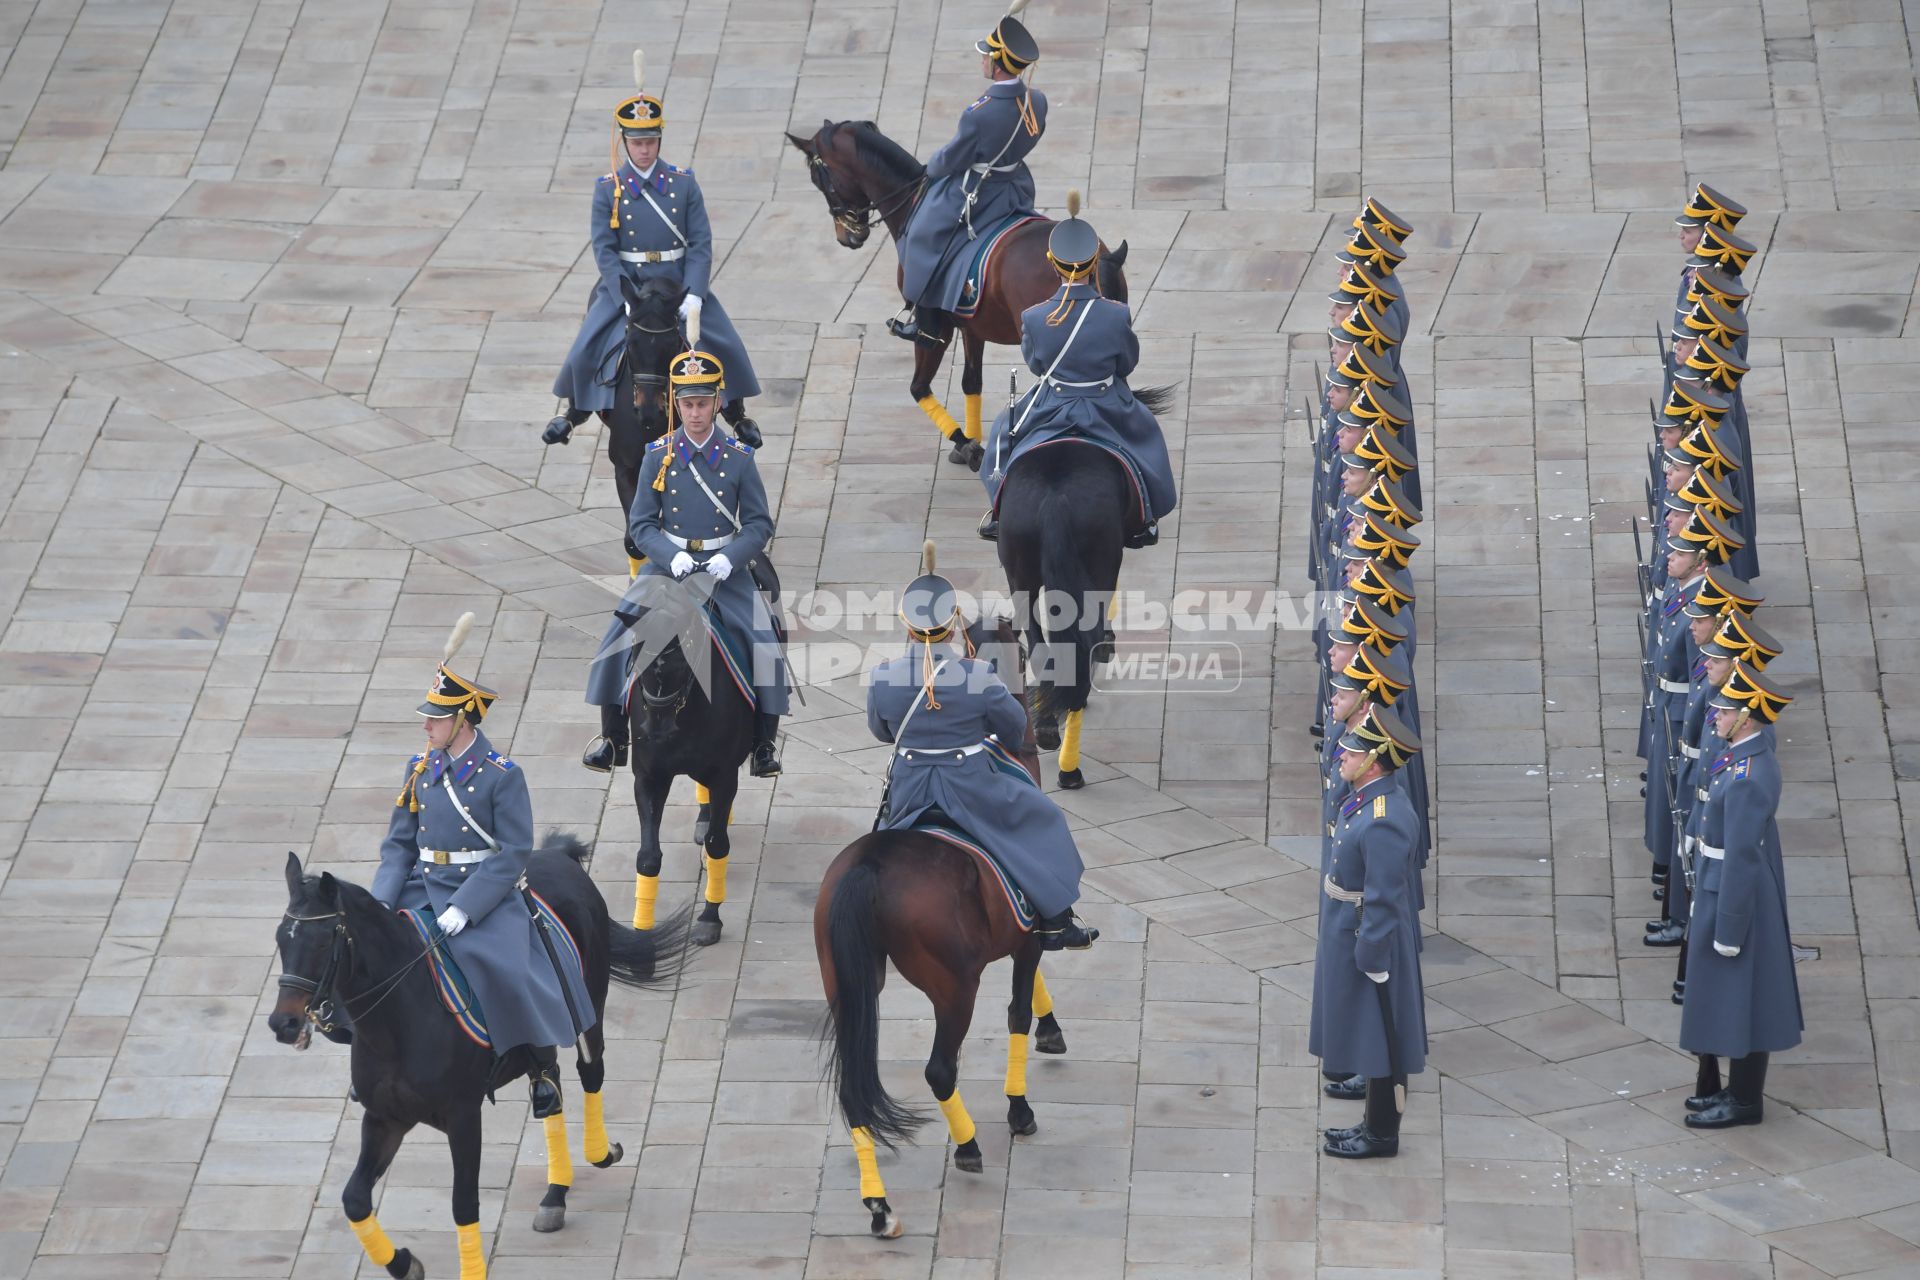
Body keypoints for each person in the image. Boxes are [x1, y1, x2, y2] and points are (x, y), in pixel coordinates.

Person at [374, 614, 596, 1120]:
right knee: (366, 950)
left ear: (462, 721)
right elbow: (398, 844)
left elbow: (513, 852)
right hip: (418, 887)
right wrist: (382, 899)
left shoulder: (501, 777)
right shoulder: (419, 769)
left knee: (508, 972)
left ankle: (541, 1067)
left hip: (483, 893)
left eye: (435, 718)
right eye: (426, 718)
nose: (425, 726)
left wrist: (466, 908)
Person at [867, 548, 1097, 950]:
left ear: (907, 628)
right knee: (1042, 819)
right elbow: (1014, 731)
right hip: (969, 786)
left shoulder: (882, 677)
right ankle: (1056, 920)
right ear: (952, 629)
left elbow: (882, 733)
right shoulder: (979, 675)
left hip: (908, 789)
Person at [545, 51, 763, 450]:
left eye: (649, 141)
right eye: (636, 142)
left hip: (677, 282)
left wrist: (695, 293)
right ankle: (573, 410)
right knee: (588, 343)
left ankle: (736, 411)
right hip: (629, 285)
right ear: (625, 142)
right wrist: (621, 294)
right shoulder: (607, 188)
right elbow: (604, 248)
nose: (644, 150)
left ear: (659, 139)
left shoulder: (683, 184)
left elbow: (700, 242)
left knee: (722, 339)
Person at [584, 351, 787, 776]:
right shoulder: (657, 455)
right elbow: (641, 524)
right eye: (688, 404)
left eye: (703, 403)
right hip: (668, 568)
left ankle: (765, 744)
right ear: (675, 404)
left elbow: (757, 524)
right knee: (617, 635)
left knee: (764, 639)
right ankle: (612, 737)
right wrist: (670, 555)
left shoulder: (738, 457)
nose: (695, 413)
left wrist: (728, 559)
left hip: (722, 571)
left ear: (716, 403)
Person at [977, 197, 1177, 543]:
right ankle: (1145, 514)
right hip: (1105, 403)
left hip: (1051, 403)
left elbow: (1035, 364)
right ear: (1093, 263)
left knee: (999, 433)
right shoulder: (1115, 314)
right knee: (1148, 437)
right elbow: (1127, 362)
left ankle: (998, 512)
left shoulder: (1035, 317)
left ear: (1053, 263)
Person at [1679, 661, 1801, 1128]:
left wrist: (1728, 924)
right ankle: (1734, 1090)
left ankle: (1747, 1100)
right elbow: (1711, 798)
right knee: (1732, 996)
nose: (1716, 718)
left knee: (1748, 999)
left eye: (1725, 712)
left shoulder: (1750, 774)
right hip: (1719, 882)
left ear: (1746, 718)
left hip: (1736, 896)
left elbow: (1743, 857)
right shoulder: (1741, 752)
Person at [889, 11, 1047, 345]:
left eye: (986, 56)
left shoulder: (980, 113)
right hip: (1015, 186)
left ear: (998, 64)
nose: (983, 62)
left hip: (981, 191)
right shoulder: (1038, 101)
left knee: (921, 235)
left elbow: (953, 158)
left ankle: (924, 321)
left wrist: (931, 165)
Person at [1310, 705, 1426, 1159]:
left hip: (1370, 940)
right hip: (1351, 929)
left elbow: (1383, 895)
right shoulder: (1367, 798)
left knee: (1385, 1040)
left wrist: (1372, 956)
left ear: (1373, 762)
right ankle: (1369, 1124)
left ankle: (1382, 1133)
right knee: (1373, 1037)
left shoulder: (1385, 818)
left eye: (1352, 752)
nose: (1342, 755)